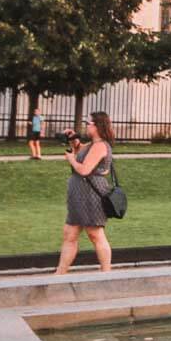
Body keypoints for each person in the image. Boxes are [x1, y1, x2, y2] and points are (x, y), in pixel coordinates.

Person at [54, 112, 115, 274]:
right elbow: (81, 150)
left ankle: (106, 273)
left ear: (97, 126)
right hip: (79, 194)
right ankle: (59, 274)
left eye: (88, 123)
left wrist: (71, 159)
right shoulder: (91, 144)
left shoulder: (101, 145)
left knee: (95, 233)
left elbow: (84, 169)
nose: (86, 126)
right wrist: (74, 141)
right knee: (70, 234)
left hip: (91, 195)